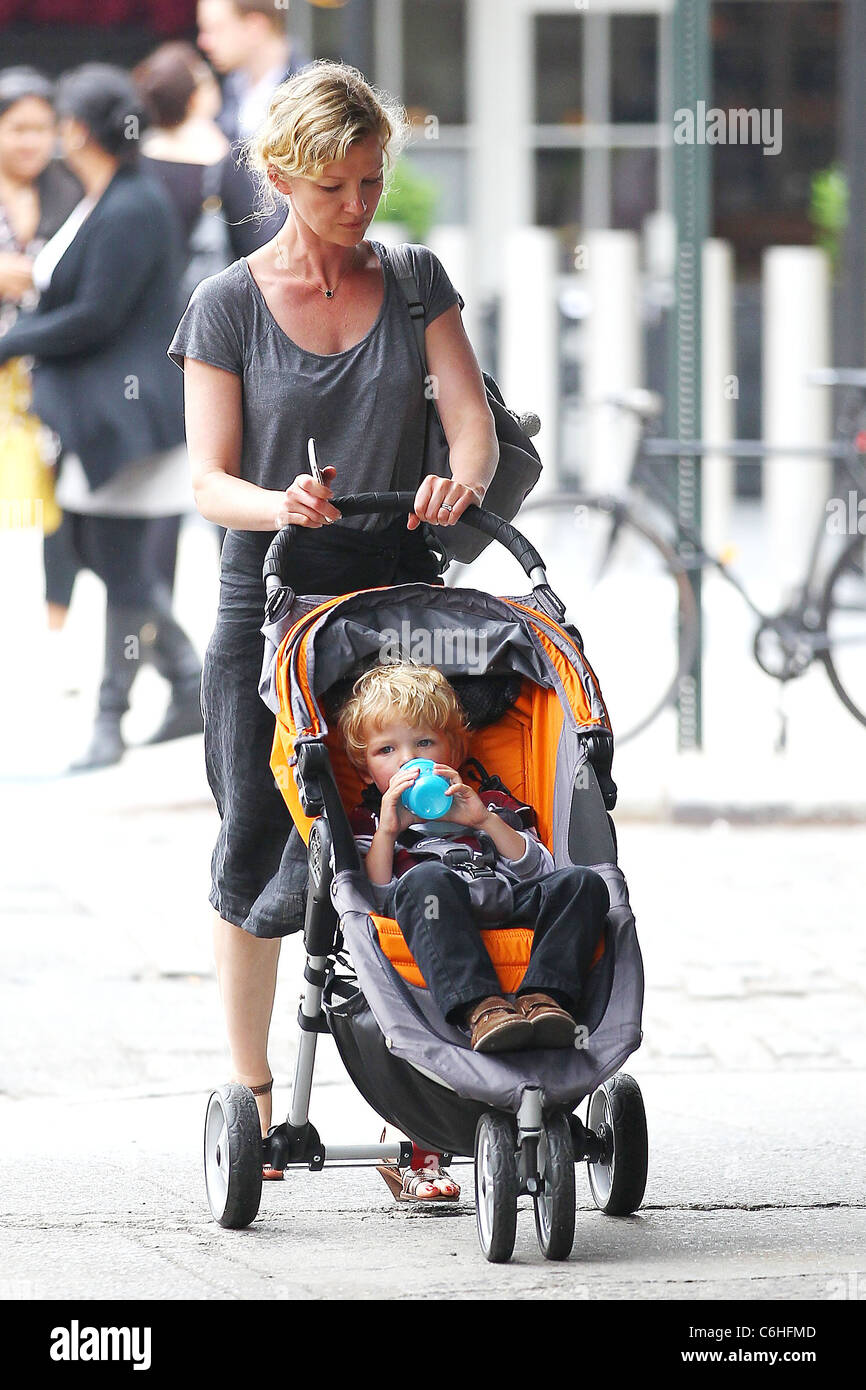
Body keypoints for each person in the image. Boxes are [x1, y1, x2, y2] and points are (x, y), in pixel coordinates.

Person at [167, 61, 498, 1187]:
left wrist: (461, 477)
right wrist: (281, 502)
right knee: (259, 843)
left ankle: (431, 1096)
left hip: (397, 599)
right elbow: (207, 480)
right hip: (265, 602)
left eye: (372, 180)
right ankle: (256, 1095)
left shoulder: (412, 281)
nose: (360, 207)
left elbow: (468, 418)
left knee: (418, 827)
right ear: (277, 176)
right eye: (334, 188)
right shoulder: (223, 303)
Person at [0, 63, 204, 771]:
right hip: (101, 415)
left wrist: (10, 341)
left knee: (117, 563)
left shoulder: (132, 204)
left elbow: (97, 315)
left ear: (79, 129)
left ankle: (111, 719)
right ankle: (187, 680)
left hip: (132, 415)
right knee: (94, 549)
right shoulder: (106, 196)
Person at [338, 663, 610, 1055]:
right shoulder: (374, 821)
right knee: (426, 878)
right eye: (387, 750)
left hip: (503, 899)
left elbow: (541, 869)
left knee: (584, 883)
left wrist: (484, 820)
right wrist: (388, 833)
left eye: (424, 743)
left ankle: (545, 999)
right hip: (432, 915)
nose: (407, 760)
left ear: (454, 750)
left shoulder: (488, 802)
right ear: (365, 773)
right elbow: (373, 897)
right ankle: (481, 1008)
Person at [0, 67, 82, 679]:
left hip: (51, 374)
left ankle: (55, 638)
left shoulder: (72, 191)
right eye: (16, 127)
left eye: (41, 128)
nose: (30, 141)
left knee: (54, 505)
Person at [196, 0, 307, 257]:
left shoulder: (312, 96)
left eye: (215, 29)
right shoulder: (217, 95)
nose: (204, 41)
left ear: (255, 26)